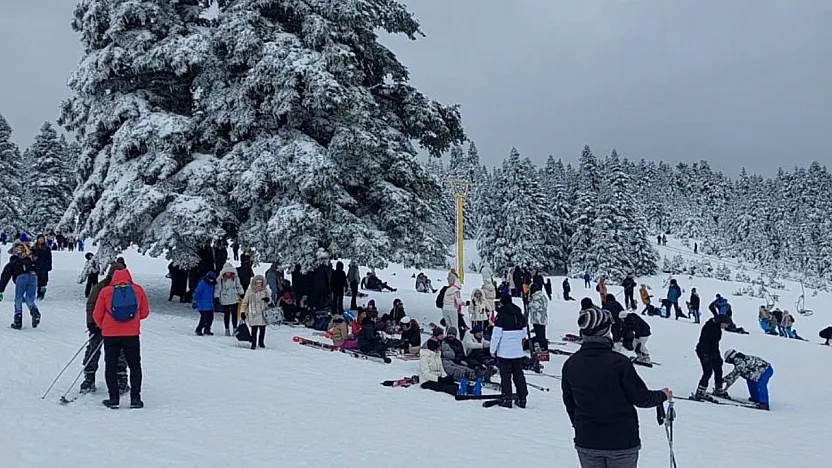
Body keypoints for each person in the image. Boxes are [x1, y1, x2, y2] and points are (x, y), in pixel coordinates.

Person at [561, 306, 671, 468]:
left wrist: (580, 426)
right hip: (621, 442)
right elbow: (640, 398)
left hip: (587, 441)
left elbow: (569, 403)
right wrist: (662, 395)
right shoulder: (619, 363)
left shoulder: (571, 364)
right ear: (605, 331)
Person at [93, 267, 150, 409]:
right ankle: (135, 399)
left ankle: (113, 399)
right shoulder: (138, 290)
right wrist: (132, 320)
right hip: (132, 334)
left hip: (110, 334)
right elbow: (144, 313)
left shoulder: (106, 291)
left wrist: (104, 326)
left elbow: (97, 314)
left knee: (111, 365)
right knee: (135, 365)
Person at [80, 260, 129, 395]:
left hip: (118, 327)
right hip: (100, 325)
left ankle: (121, 377)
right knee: (94, 349)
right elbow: (91, 304)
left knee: (119, 351)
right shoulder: (101, 287)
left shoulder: (127, 287)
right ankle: (89, 376)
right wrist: (92, 323)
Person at [490, 294, 529, 408]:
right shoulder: (519, 314)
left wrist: (492, 350)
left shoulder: (501, 315)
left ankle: (507, 398)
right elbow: (524, 333)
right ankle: (522, 398)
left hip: (504, 353)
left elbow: (496, 335)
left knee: (506, 377)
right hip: (517, 352)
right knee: (519, 375)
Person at [0, 236, 40, 329]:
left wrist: (1, 289)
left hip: (21, 278)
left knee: (18, 299)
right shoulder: (30, 259)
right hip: (33, 276)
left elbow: (5, 276)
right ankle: (35, 312)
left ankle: (18, 321)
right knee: (30, 299)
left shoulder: (13, 262)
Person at [693, 314, 732, 400]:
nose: (726, 326)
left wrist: (718, 357)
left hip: (712, 351)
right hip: (703, 351)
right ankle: (700, 392)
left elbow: (715, 345)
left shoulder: (717, 329)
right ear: (720, 322)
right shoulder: (709, 327)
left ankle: (718, 389)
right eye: (725, 324)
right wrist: (705, 356)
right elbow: (704, 342)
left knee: (718, 367)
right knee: (708, 371)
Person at [240, 275, 271, 349]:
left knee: (262, 329)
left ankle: (261, 342)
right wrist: (243, 312)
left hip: (263, 313)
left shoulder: (265, 290)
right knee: (254, 329)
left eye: (260, 283)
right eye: (257, 283)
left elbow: (270, 300)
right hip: (253, 313)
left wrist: (268, 300)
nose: (258, 285)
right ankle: (253, 343)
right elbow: (245, 302)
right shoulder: (249, 291)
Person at [215, 263, 244, 336]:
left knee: (234, 315)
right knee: (226, 315)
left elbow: (238, 286)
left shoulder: (236, 278)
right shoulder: (220, 279)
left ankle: (235, 329)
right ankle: (227, 329)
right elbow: (218, 288)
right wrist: (216, 297)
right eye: (227, 272)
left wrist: (241, 293)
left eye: (229, 272)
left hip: (234, 298)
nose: (228, 273)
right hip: (225, 299)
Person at [192, 271, 217, 336]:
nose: (211, 280)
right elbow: (197, 292)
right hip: (202, 305)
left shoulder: (213, 284)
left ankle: (207, 329)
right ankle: (199, 330)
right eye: (210, 279)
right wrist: (195, 301)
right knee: (204, 318)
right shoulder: (202, 283)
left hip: (210, 305)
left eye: (212, 279)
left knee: (211, 318)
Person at [528, 282, 549, 350]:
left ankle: (543, 346)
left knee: (540, 334)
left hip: (538, 319)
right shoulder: (541, 295)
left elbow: (536, 307)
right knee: (541, 334)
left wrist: (529, 304)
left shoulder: (537, 297)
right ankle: (542, 345)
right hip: (541, 318)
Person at [31, 234, 52, 300]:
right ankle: (36, 293)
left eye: (42, 239)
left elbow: (49, 258)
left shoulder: (47, 248)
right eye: (40, 239)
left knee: (43, 281)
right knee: (36, 281)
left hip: (44, 267)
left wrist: (49, 266)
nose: (41, 240)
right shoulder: (34, 248)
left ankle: (41, 294)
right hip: (36, 266)